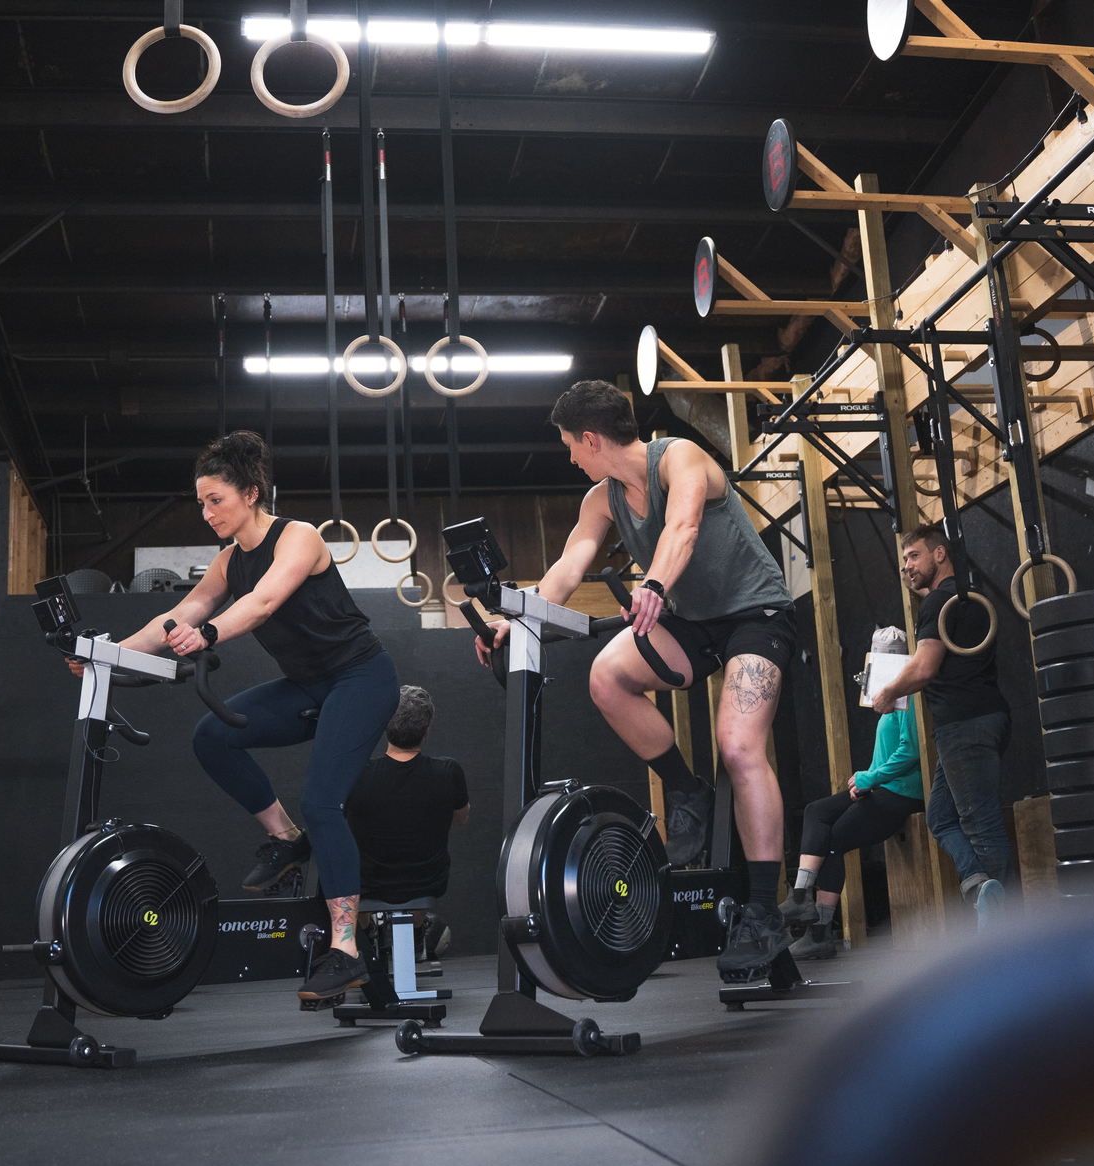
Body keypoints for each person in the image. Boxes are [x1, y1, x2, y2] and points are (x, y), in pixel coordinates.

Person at [478, 379, 800, 982]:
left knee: (738, 746)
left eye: (571, 445)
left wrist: (652, 584)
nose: (570, 456)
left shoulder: (679, 457)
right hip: (692, 623)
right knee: (608, 677)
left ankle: (762, 910)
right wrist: (516, 618)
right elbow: (568, 566)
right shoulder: (601, 501)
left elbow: (683, 528)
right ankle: (687, 793)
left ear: (592, 439)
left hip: (757, 615)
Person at [71, 431, 400, 1007]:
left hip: (360, 677)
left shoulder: (298, 537)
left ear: (252, 493)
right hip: (308, 685)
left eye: (215, 500)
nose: (206, 513)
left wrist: (212, 633)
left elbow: (265, 601)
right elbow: (181, 612)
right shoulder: (227, 561)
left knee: (324, 801)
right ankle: (286, 839)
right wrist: (109, 652)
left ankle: (345, 948)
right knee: (214, 736)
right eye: (201, 502)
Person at [868, 524, 1011, 919]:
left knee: (979, 824)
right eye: (904, 560)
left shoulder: (938, 605)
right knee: (941, 817)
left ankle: (1006, 931)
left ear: (940, 554)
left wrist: (888, 692)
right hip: (984, 718)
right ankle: (981, 887)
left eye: (914, 556)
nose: (907, 566)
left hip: (964, 725)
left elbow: (924, 668)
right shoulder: (966, 598)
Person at [781, 628, 923, 960]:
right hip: (882, 784)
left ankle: (819, 934)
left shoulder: (911, 693)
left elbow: (911, 751)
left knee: (834, 840)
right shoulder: (892, 695)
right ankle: (801, 897)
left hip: (903, 792)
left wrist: (869, 778)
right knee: (817, 811)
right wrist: (866, 779)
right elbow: (888, 752)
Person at [344, 685, 469, 916]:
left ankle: (362, 941)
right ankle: (419, 931)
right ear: (426, 731)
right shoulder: (449, 772)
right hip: (428, 882)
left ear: (384, 728)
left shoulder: (356, 774)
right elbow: (461, 819)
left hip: (367, 883)